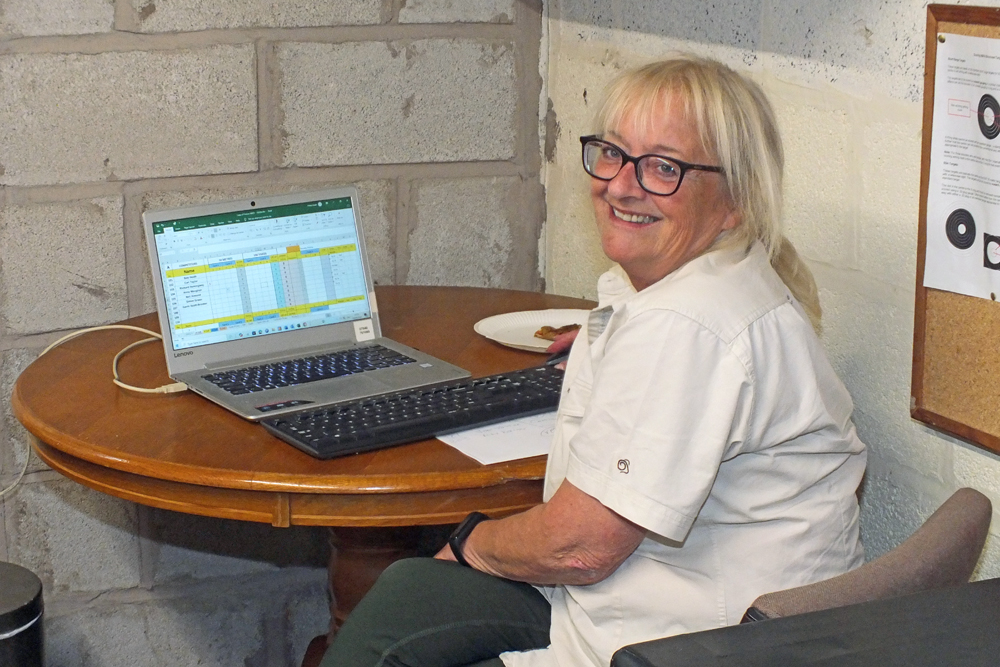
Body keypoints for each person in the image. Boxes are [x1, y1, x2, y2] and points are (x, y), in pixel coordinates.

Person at [318, 54, 866, 667]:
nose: (622, 185)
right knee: (410, 593)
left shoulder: (687, 324)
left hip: (684, 644)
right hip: (682, 606)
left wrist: (470, 541)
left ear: (733, 198)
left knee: (399, 616)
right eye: (613, 152)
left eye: (664, 167)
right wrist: (608, 350)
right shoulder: (717, 285)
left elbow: (580, 548)